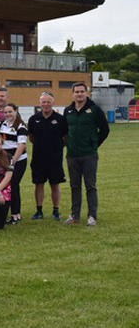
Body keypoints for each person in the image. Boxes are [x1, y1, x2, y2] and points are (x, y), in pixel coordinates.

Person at [63, 82, 109, 226]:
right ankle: (75, 215)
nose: (79, 94)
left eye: (82, 91)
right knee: (74, 186)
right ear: (73, 94)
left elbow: (105, 130)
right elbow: (65, 131)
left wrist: (94, 144)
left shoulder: (95, 110)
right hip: (72, 155)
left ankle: (92, 216)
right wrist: (69, 144)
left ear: (86, 93)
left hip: (89, 155)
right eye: (76, 92)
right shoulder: (68, 111)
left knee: (90, 186)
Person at [28, 92, 67, 221]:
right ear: (39, 103)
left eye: (48, 102)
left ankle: (56, 211)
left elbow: (65, 137)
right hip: (38, 158)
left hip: (55, 159)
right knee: (39, 184)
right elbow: (31, 137)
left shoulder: (60, 119)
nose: (45, 104)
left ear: (53, 103)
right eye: (43, 102)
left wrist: (56, 147)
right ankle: (39, 211)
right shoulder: (34, 119)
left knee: (55, 184)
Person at [0, 103, 28, 224]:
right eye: (6, 112)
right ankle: (11, 213)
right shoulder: (3, 125)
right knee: (9, 186)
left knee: (13, 186)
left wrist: (13, 162)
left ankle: (15, 215)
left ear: (16, 111)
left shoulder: (21, 127)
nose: (8, 114)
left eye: (10, 112)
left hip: (18, 161)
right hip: (6, 160)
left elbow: (21, 146)